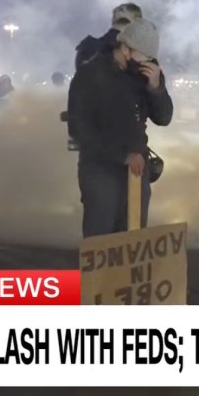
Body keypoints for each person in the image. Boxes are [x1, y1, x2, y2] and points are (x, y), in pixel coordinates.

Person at [68, 18, 173, 237]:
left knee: (133, 235)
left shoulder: (146, 75)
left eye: (150, 59)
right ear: (125, 48)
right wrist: (122, 156)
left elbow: (163, 118)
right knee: (101, 236)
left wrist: (156, 88)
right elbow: (79, 129)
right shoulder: (91, 74)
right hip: (100, 168)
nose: (145, 63)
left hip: (137, 168)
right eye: (141, 57)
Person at [68, 3, 145, 146]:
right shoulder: (140, 52)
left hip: (94, 150)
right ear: (138, 24)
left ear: (113, 21)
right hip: (129, 147)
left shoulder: (88, 49)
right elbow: (162, 116)